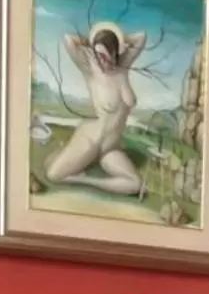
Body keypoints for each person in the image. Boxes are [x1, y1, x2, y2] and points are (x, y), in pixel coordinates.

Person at [44, 23, 149, 196]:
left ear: (116, 52)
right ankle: (76, 173)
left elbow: (141, 37)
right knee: (54, 174)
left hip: (111, 147)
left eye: (106, 55)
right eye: (98, 55)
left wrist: (117, 37)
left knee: (134, 184)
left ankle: (85, 179)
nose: (102, 61)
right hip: (92, 139)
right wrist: (93, 40)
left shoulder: (123, 67)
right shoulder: (91, 71)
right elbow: (69, 40)